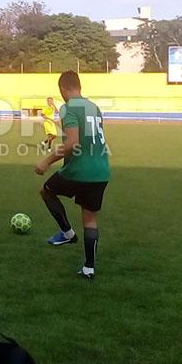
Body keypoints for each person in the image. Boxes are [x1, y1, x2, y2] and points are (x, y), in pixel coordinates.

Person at [34, 71, 110, 280]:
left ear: (63, 89)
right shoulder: (93, 107)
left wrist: (45, 162)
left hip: (79, 170)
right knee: (90, 217)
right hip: (101, 170)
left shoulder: (68, 107)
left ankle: (67, 234)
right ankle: (89, 268)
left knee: (46, 191)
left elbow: (72, 142)